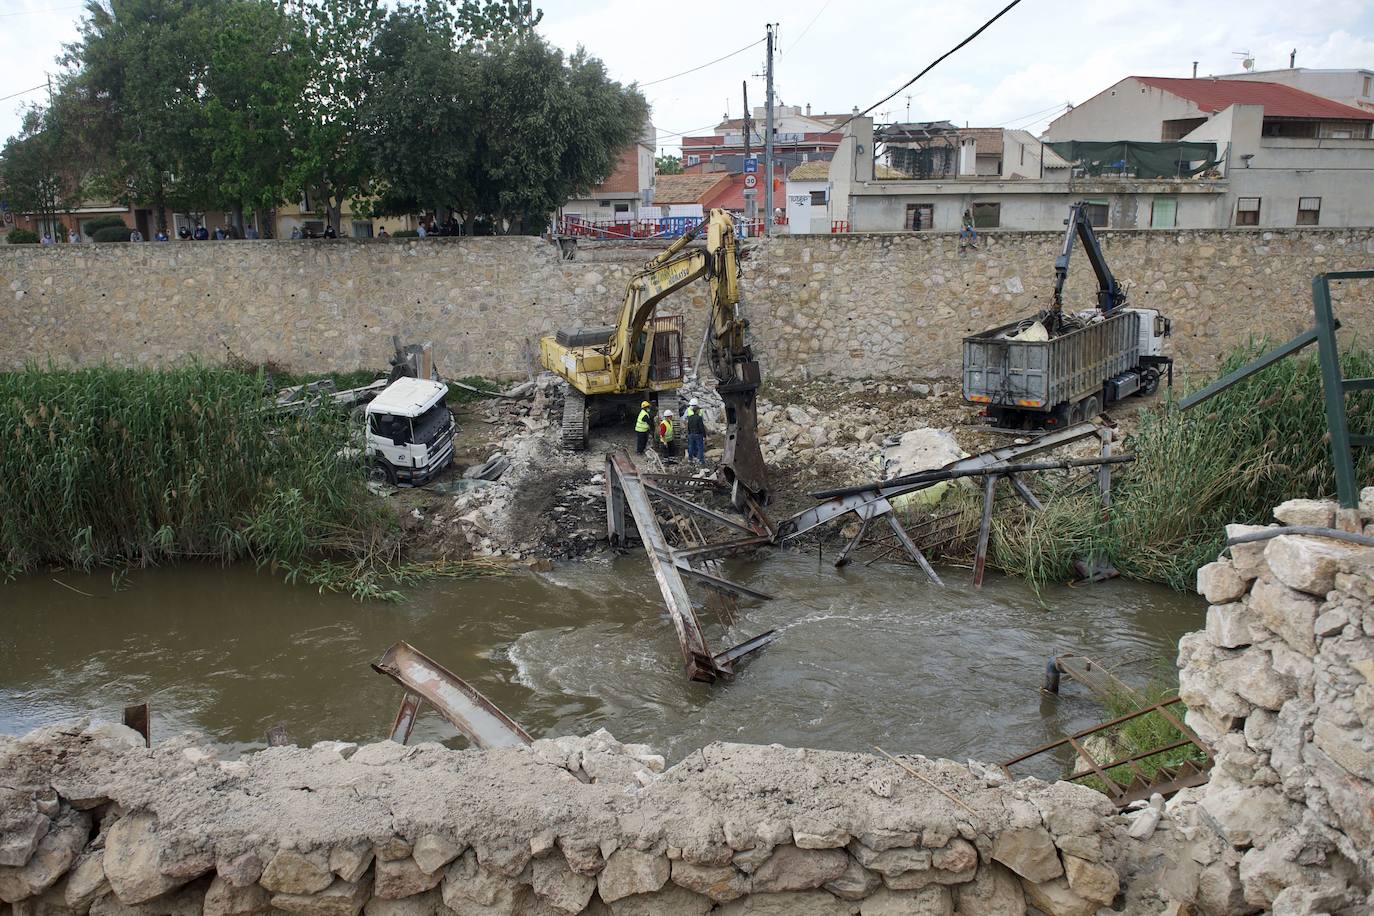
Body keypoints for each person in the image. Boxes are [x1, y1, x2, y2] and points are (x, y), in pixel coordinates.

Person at [685, 397, 706, 465]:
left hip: (691, 434)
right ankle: (701, 460)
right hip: (698, 434)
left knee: (691, 446)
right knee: (700, 447)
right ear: (697, 410)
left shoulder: (690, 417)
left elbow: (688, 426)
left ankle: (690, 459)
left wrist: (688, 433)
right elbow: (701, 427)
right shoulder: (699, 418)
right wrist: (704, 435)